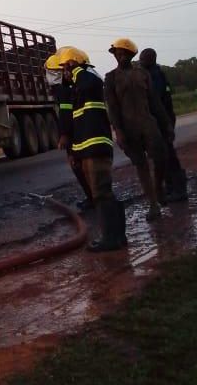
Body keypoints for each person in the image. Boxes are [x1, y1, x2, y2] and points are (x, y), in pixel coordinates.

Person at [57, 46, 126, 251]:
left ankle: (112, 238)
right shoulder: (77, 90)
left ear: (73, 64)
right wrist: (76, 153)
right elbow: (79, 125)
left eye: (65, 68)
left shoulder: (89, 80)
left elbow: (91, 83)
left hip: (97, 148)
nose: (64, 73)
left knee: (102, 193)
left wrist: (76, 69)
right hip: (87, 149)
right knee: (100, 193)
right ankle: (116, 236)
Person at [105, 38, 172, 221]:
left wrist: (166, 124)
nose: (120, 57)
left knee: (160, 158)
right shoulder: (111, 78)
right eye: (117, 54)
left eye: (123, 53)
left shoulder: (142, 74)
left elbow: (155, 102)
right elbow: (112, 107)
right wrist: (118, 131)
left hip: (148, 123)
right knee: (141, 165)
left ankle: (158, 188)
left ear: (131, 55)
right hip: (128, 128)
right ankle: (152, 205)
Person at [45, 52, 93, 210]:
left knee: (77, 166)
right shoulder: (73, 87)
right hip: (82, 132)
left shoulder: (63, 91)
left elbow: (65, 115)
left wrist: (64, 136)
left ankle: (92, 198)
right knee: (83, 166)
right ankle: (93, 196)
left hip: (75, 136)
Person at [139, 47, 188, 202]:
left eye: (143, 58)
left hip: (163, 119)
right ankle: (170, 187)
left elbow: (157, 100)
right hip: (160, 119)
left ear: (151, 59)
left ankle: (179, 190)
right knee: (161, 155)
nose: (140, 61)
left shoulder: (155, 76)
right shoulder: (154, 74)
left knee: (169, 155)